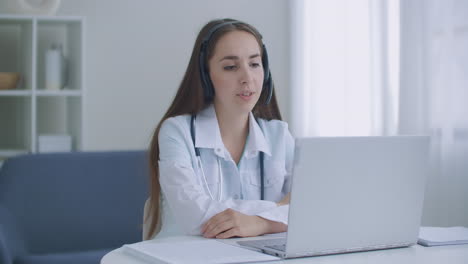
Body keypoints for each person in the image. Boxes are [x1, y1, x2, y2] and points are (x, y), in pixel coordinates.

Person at [144, 18, 294, 240]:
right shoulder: (176, 132)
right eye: (231, 67)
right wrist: (278, 211)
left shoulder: (279, 135)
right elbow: (196, 218)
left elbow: (311, 208)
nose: (247, 78)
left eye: (254, 64)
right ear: (205, 76)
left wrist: (260, 224)